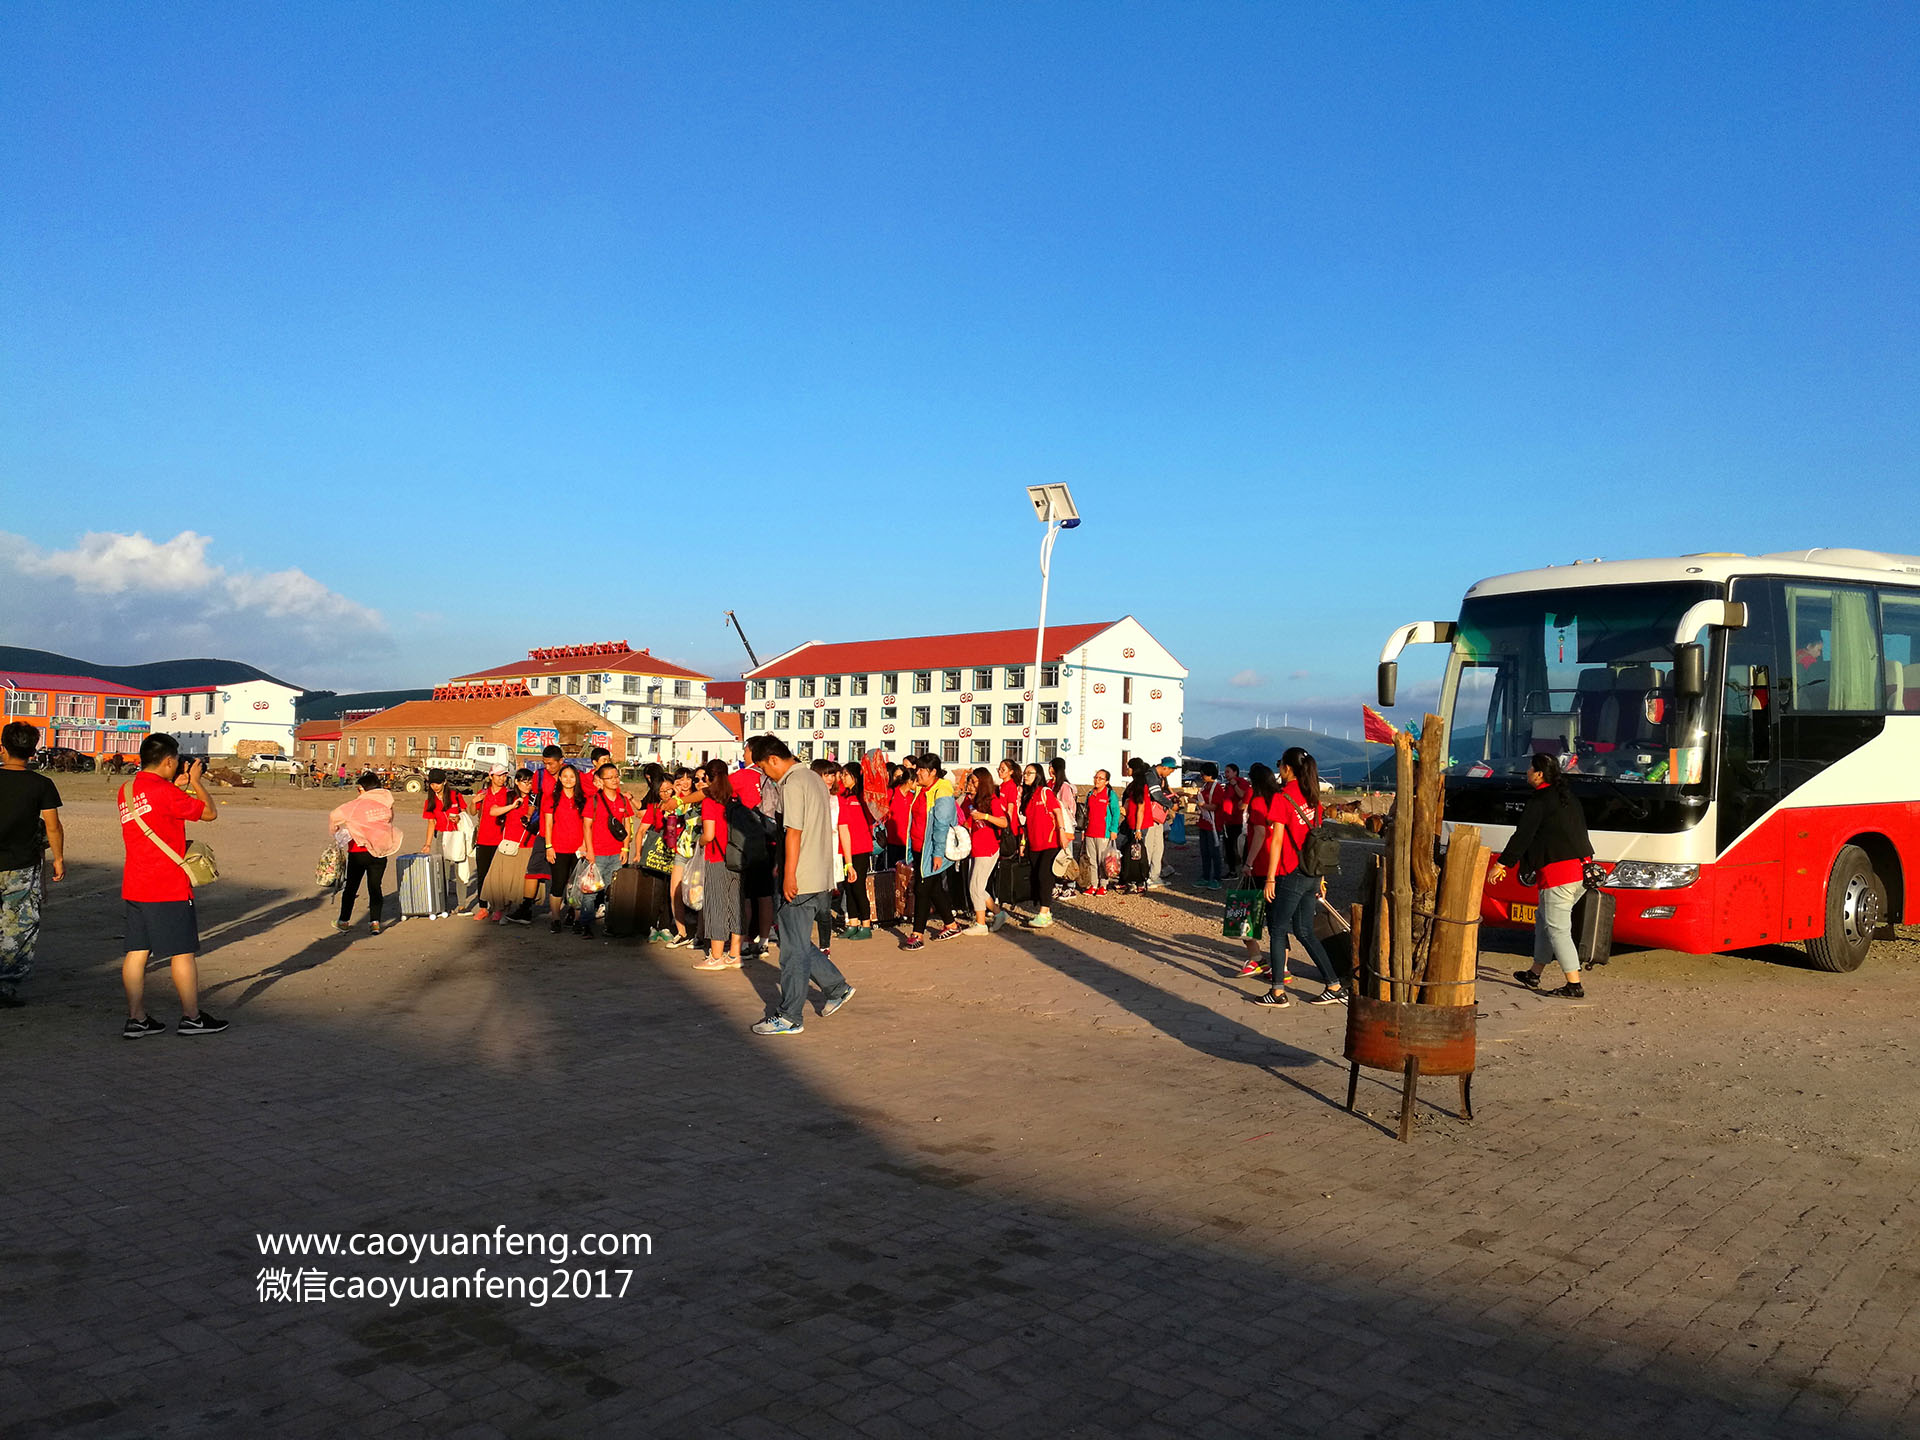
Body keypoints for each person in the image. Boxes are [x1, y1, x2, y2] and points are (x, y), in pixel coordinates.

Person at [117, 733, 226, 1037]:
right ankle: (192, 1016)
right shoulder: (166, 793)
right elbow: (209, 813)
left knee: (137, 952)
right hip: (167, 885)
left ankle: (136, 1018)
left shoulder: (127, 789)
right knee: (182, 952)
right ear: (168, 761)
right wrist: (195, 782)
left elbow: (153, 807)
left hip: (136, 883)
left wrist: (174, 786)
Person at [748, 736, 855, 1035]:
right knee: (797, 941)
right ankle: (836, 987)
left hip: (801, 877)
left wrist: (789, 875)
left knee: (792, 950)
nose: (764, 775)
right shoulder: (814, 778)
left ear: (773, 759)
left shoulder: (793, 783)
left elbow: (793, 832)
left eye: (762, 767)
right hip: (818, 874)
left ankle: (790, 1015)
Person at [1489, 754, 1593, 999]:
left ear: (1539, 774)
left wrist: (1502, 864)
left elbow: (1522, 836)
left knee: (1557, 929)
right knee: (1545, 924)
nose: (1526, 772)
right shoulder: (1567, 797)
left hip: (1559, 875)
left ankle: (1573, 985)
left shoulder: (1540, 800)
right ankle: (1534, 973)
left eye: (1529, 768)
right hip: (1580, 872)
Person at [1250, 747, 1345, 1007]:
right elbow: (1315, 839)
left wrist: (1269, 878)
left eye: (1280, 763)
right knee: (1304, 931)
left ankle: (1277, 991)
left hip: (1290, 872)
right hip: (1312, 872)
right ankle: (1334, 985)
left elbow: (1277, 840)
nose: (1279, 768)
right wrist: (1322, 879)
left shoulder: (1283, 797)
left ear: (1287, 768)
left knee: (1278, 929)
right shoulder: (1312, 797)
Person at [0, 721, 63, 1007]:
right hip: (22, 866)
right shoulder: (41, 784)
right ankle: (5, 987)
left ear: (2, 748)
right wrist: (59, 858)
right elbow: (53, 826)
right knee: (18, 925)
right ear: (33, 750)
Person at [903, 755, 961, 948]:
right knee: (933, 888)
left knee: (922, 889)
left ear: (933, 772)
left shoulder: (942, 790)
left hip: (933, 850)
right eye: (917, 769)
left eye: (921, 769)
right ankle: (951, 924)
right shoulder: (921, 789)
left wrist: (937, 853)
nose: (917, 772)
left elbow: (941, 826)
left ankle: (917, 935)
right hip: (919, 847)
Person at [503, 746, 566, 925]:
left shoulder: (570, 774)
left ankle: (572, 911)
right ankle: (525, 909)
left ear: (561, 761)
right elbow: (534, 797)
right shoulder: (540, 775)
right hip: (544, 830)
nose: (548, 767)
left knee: (565, 872)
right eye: (545, 763)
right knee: (533, 869)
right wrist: (530, 814)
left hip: (565, 831)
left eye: (551, 764)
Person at [330, 772, 400, 934]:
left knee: (351, 887)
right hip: (379, 851)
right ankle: (375, 922)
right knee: (375, 887)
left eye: (359, 789)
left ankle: (344, 921)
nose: (358, 792)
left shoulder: (356, 805)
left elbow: (334, 816)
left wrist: (338, 832)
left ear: (363, 789)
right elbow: (389, 822)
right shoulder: (386, 804)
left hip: (358, 851)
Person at [693, 759, 743, 970]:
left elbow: (709, 834)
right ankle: (735, 953)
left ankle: (715, 955)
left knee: (716, 904)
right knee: (735, 905)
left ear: (708, 778)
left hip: (717, 857)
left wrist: (699, 841)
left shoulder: (710, 801)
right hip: (737, 856)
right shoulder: (735, 797)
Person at [578, 763, 635, 938]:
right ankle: (585, 925)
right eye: (609, 777)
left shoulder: (623, 801)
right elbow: (586, 827)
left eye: (616, 776)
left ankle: (611, 925)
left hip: (617, 853)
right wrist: (590, 851)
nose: (614, 780)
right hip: (598, 853)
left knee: (614, 891)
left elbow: (626, 826)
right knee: (591, 891)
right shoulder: (593, 801)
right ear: (600, 781)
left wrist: (625, 848)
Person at [540, 764, 590, 934]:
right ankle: (555, 918)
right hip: (558, 848)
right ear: (560, 779)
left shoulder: (582, 800)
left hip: (578, 848)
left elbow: (586, 824)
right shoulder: (551, 799)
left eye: (572, 776)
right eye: (565, 776)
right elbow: (548, 824)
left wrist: (584, 844)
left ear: (576, 779)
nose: (569, 779)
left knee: (577, 886)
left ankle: (577, 919)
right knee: (558, 884)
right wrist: (548, 846)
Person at [961, 766, 1011, 934]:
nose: (971, 784)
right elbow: (964, 821)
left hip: (988, 848)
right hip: (975, 848)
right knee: (976, 886)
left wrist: (985, 816)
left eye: (974, 781)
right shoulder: (969, 801)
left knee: (975, 886)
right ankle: (998, 913)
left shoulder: (992, 801)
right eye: (970, 780)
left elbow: (1004, 822)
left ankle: (981, 923)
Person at [1020, 762, 1067, 927]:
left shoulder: (1045, 792)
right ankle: (1045, 910)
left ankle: (1044, 913)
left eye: (1030, 773)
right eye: (1025, 773)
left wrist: (1061, 832)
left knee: (1044, 876)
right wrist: (1023, 842)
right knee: (1036, 878)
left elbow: (1057, 811)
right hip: (1034, 843)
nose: (1026, 776)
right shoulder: (1028, 796)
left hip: (1049, 842)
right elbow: (1027, 822)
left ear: (1038, 775)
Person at [470, 765, 517, 922]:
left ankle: (499, 908)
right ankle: (483, 907)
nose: (501, 778)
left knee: (499, 877)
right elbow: (472, 812)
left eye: (504, 775)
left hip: (501, 841)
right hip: (483, 840)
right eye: (498, 775)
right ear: (491, 776)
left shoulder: (509, 795)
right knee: (482, 875)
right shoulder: (483, 794)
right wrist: (473, 801)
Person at [837, 762, 876, 941]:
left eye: (846, 774)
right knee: (849, 887)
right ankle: (852, 923)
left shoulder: (862, 797)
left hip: (860, 847)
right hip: (846, 848)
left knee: (858, 886)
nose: (842, 778)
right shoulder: (844, 795)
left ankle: (866, 924)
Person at [1081, 769, 1119, 897]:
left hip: (1103, 832)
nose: (1097, 780)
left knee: (1103, 860)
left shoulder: (1110, 794)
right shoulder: (1090, 794)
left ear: (1106, 781)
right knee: (1091, 860)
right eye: (1096, 777)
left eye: (1101, 778)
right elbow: (1086, 813)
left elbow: (1116, 813)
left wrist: (1114, 830)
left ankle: (1103, 885)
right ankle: (1093, 884)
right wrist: (1083, 831)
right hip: (1090, 832)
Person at [1146, 757, 1181, 888]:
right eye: (1170, 771)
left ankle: (1154, 875)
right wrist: (1171, 805)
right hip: (1150, 816)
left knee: (1158, 847)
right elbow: (1157, 795)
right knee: (1149, 846)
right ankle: (1147, 876)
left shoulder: (1159, 777)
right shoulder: (1151, 776)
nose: (1170, 774)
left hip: (1158, 817)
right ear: (1165, 767)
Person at [1047, 756, 1078, 899]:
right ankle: (1058, 883)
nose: (1049, 769)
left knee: (1067, 854)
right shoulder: (1050, 784)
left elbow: (1069, 808)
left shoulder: (1065, 787)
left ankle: (1070, 885)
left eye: (1051, 766)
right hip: (1053, 825)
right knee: (1056, 855)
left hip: (1065, 826)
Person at [1194, 762, 1225, 890]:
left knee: (1215, 852)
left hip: (1213, 824)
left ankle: (1217, 877)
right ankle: (1205, 876)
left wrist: (1201, 805)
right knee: (1205, 852)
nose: (1201, 776)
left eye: (1203, 774)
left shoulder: (1217, 788)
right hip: (1204, 823)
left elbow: (1215, 806)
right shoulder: (1205, 786)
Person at [1221, 763, 1249, 872]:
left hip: (1237, 820)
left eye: (1228, 771)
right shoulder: (1227, 785)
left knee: (1237, 846)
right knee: (1228, 846)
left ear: (1235, 772)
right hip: (1228, 820)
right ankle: (1232, 869)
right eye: (1225, 772)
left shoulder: (1241, 782)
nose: (1225, 774)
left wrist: (1235, 785)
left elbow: (1244, 796)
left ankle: (1239, 868)